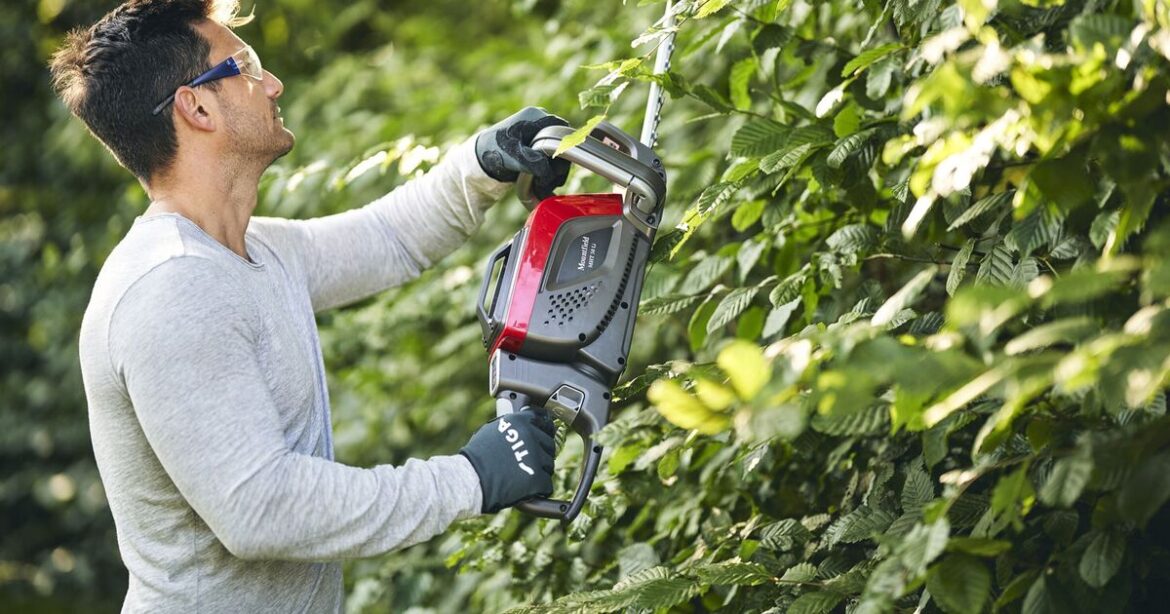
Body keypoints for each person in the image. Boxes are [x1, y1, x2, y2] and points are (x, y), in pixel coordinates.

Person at [50, 0, 572, 611]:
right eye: (246, 66)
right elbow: (260, 508)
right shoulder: (172, 286)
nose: (272, 83)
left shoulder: (253, 249)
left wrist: (482, 163)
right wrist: (469, 478)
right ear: (197, 107)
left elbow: (389, 238)